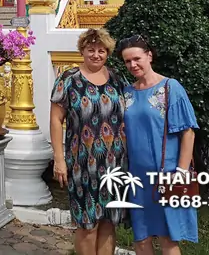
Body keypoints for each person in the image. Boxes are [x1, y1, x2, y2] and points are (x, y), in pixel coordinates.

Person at [117, 34, 199, 255]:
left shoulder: (170, 88)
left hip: (166, 175)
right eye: (127, 61)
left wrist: (181, 172)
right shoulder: (127, 92)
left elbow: (188, 133)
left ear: (149, 55)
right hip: (136, 177)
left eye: (137, 58)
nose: (133, 65)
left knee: (167, 238)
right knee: (141, 237)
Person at [50, 28, 128, 255]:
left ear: (108, 53)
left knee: (108, 221)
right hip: (83, 163)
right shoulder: (69, 79)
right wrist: (59, 159)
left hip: (116, 163)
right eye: (91, 50)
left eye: (101, 51)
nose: (96, 55)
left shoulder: (116, 79)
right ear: (82, 51)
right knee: (87, 223)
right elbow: (56, 120)